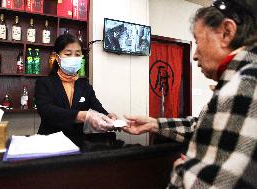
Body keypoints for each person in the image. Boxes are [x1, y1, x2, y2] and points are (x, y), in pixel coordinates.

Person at [123, 0, 257, 188]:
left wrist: (182, 172)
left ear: (226, 32)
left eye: (197, 41)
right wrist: (154, 123)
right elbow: (207, 126)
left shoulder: (243, 85)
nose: (194, 55)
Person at [35, 34, 117, 147]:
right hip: (50, 144)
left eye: (77, 54)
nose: (73, 57)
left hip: (77, 144)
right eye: (68, 54)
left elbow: (97, 107)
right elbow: (47, 111)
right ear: (57, 57)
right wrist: (81, 115)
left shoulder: (85, 86)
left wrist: (108, 117)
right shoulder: (44, 83)